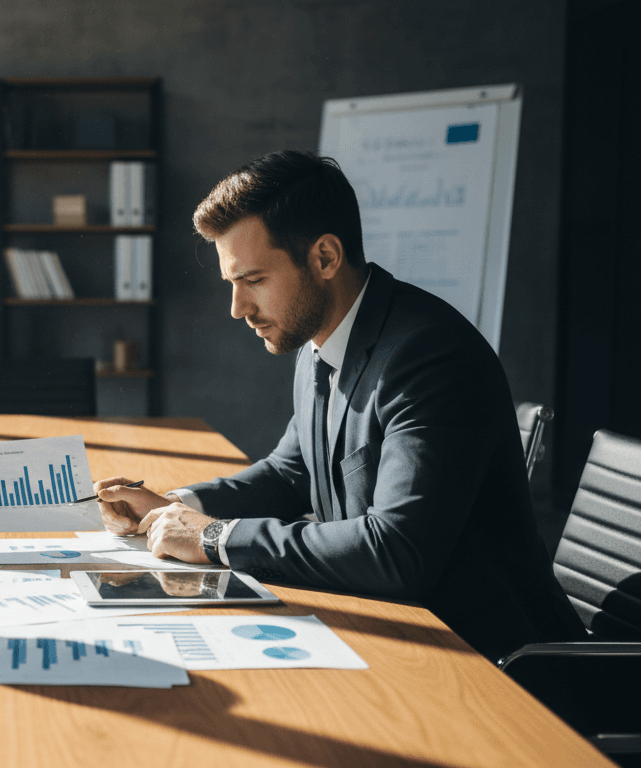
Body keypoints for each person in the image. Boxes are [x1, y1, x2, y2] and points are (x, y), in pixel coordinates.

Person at [95, 151, 582, 660]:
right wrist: (177, 506)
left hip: (493, 660)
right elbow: (289, 474)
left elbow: (397, 551)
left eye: (254, 280)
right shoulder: (319, 342)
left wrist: (215, 537)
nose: (238, 309)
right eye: (232, 284)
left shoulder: (430, 357)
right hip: (393, 628)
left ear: (325, 258)